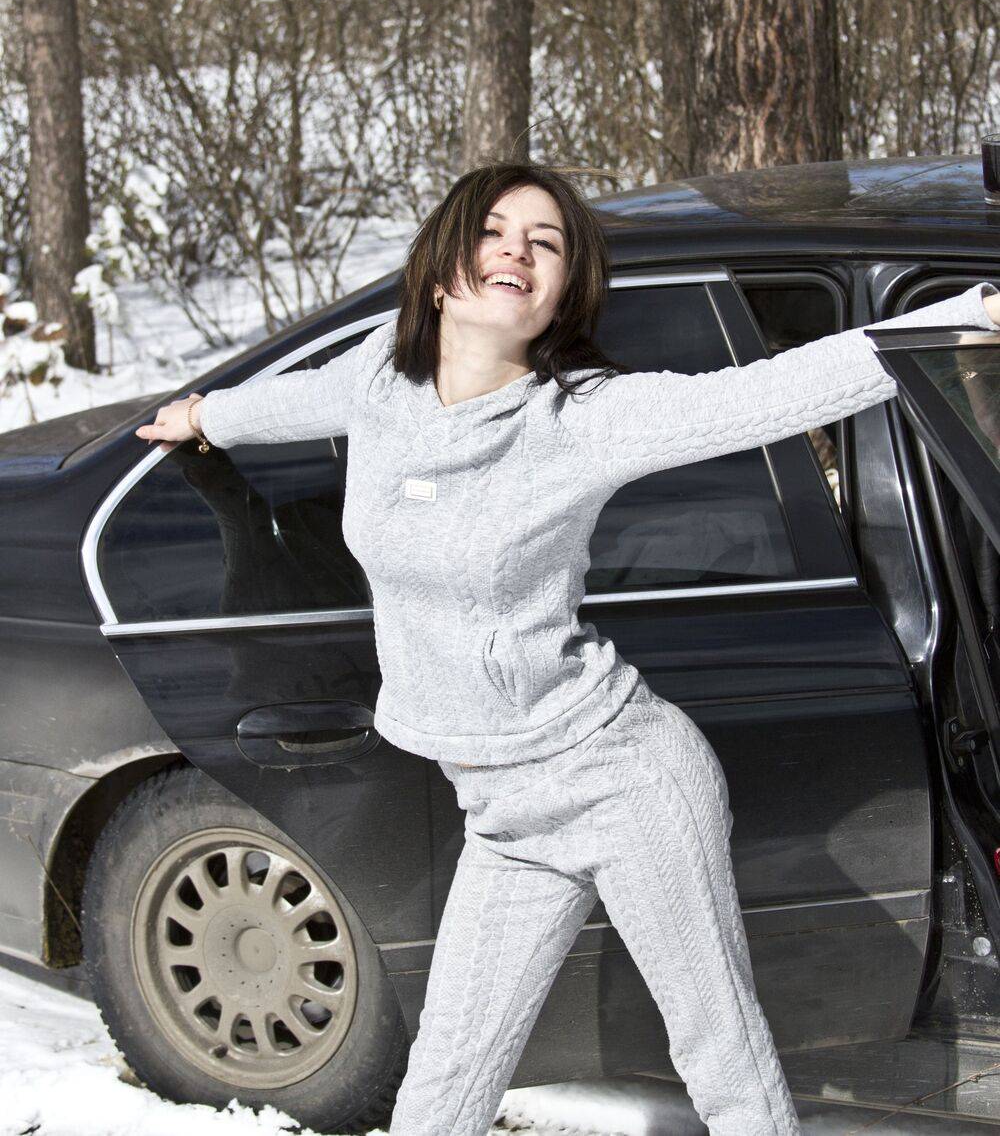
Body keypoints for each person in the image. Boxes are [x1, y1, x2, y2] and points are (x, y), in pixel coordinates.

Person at [136, 161, 1000, 1136]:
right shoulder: (382, 378)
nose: (516, 251)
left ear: (558, 296)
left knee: (717, 1052)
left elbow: (765, 392)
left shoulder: (580, 418)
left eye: (543, 243)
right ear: (440, 270)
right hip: (501, 813)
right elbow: (294, 402)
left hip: (620, 782)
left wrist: (959, 317)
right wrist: (202, 416)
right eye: (494, 231)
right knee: (444, 1081)